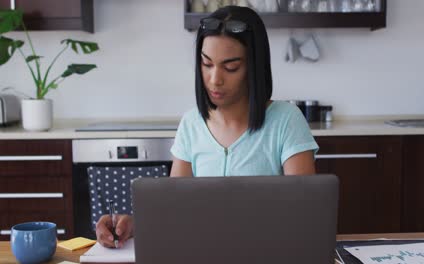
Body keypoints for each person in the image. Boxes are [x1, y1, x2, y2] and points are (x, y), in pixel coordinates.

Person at [95, 6, 319, 248]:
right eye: (206, 64)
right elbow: (173, 210)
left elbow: (304, 217)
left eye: (230, 67)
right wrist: (134, 224)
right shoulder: (191, 124)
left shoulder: (286, 121)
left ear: (254, 67)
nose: (215, 79)